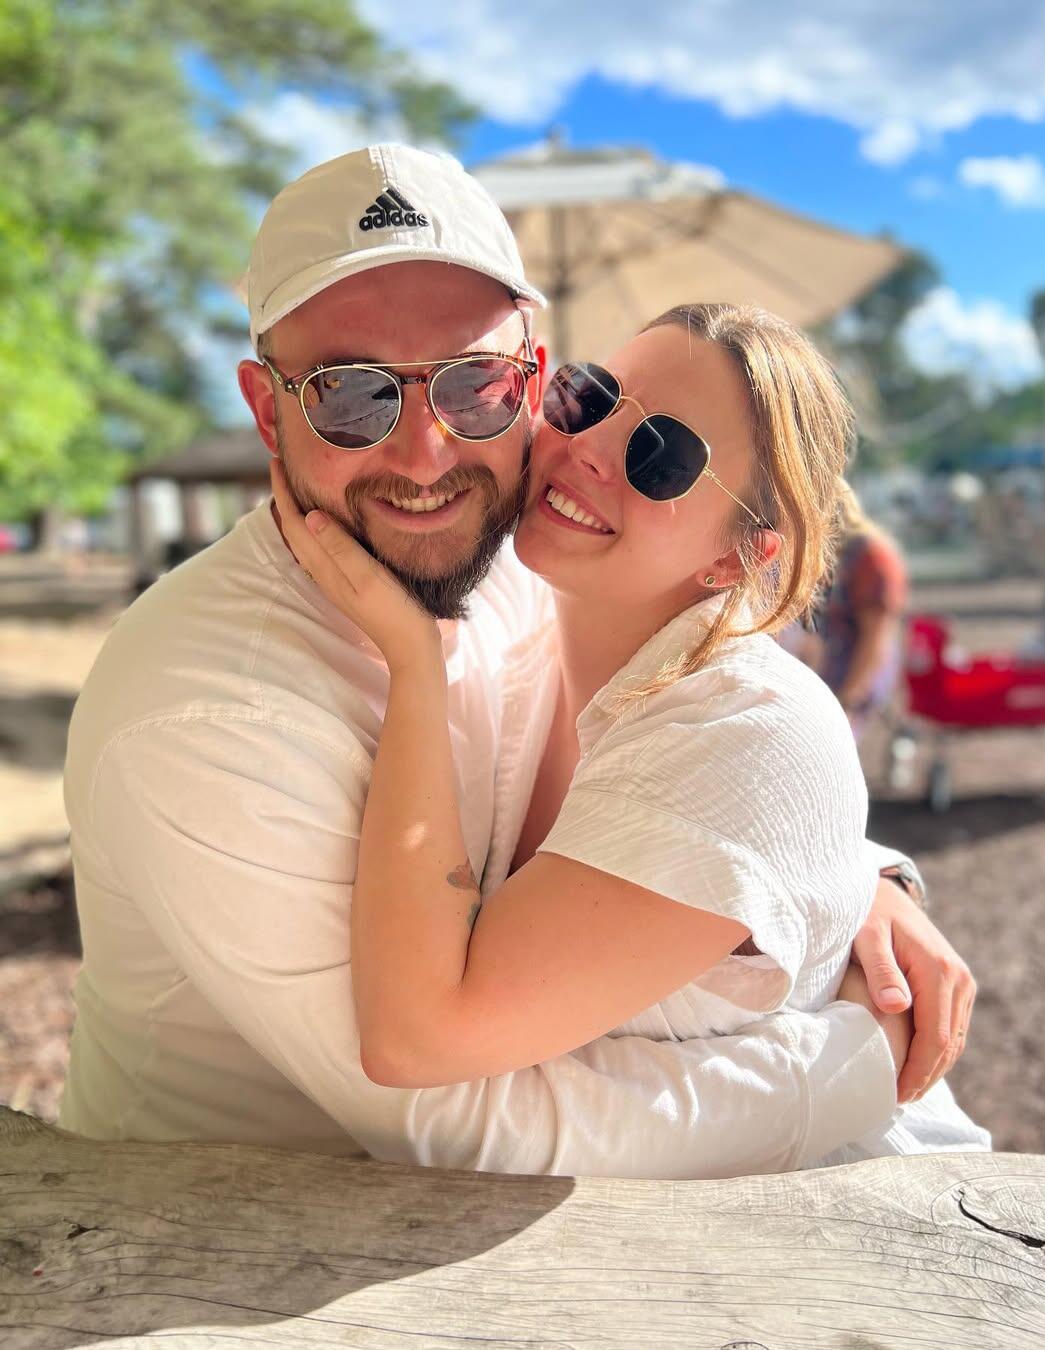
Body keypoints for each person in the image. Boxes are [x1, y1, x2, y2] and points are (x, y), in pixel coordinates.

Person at [61, 145, 976, 1176]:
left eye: (475, 388)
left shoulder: (519, 555)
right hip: (213, 1250)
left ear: (531, 381)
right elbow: (459, 1121)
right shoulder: (204, 715)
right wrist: (858, 1059)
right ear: (269, 408)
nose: (426, 454)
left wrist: (847, 884)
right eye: (351, 396)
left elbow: (719, 758)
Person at [272, 302, 989, 1165]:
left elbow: (418, 1041)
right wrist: (862, 876)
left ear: (738, 557)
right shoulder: (529, 636)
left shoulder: (748, 732)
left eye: (662, 457)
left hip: (847, 1252)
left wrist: (415, 669)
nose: (591, 449)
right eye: (588, 396)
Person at [815, 484, 909, 736]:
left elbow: (876, 637)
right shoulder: (834, 552)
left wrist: (849, 697)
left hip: (854, 672)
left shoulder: (870, 557)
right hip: (829, 673)